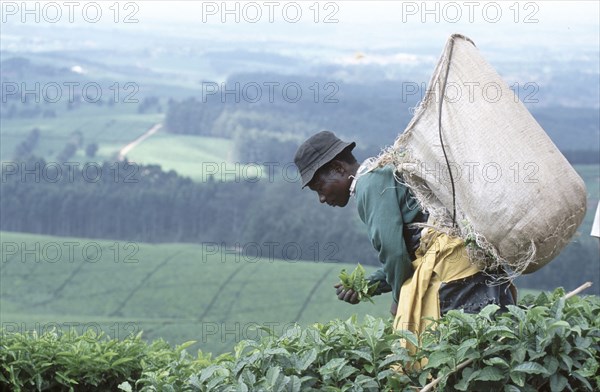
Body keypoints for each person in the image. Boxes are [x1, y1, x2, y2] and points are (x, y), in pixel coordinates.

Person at [294, 130, 516, 338]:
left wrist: (399, 300)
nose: (321, 199)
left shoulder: (369, 185)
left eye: (320, 188)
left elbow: (394, 253)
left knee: (446, 356)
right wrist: (366, 285)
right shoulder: (383, 174)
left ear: (339, 168)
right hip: (475, 267)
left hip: (455, 276)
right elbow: (409, 255)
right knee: (499, 341)